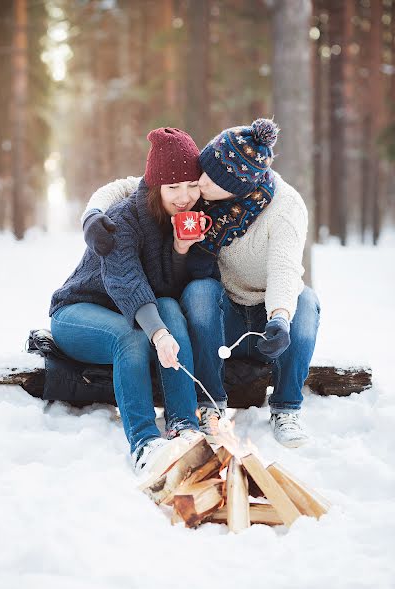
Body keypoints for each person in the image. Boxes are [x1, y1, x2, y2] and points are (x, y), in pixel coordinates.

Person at [81, 118, 320, 448]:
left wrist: (279, 316)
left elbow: (285, 271)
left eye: (205, 179)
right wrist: (92, 212)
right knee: (200, 291)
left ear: (237, 186)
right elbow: (134, 186)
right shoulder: (203, 190)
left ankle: (286, 408)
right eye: (201, 172)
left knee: (305, 302)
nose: (198, 183)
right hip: (226, 311)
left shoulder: (285, 208)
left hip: (270, 313)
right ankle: (211, 405)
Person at [49, 127, 208, 476]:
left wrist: (181, 252)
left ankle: (184, 424)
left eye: (192, 185)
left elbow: (165, 289)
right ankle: (145, 443)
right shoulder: (122, 219)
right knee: (132, 336)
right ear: (155, 187)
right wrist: (159, 335)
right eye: (173, 187)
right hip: (79, 311)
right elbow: (127, 283)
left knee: (170, 310)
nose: (185, 196)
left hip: (130, 311)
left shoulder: (182, 219)